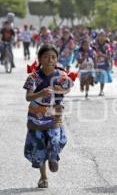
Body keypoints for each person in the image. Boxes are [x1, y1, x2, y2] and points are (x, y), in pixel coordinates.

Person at [23, 44, 73, 188]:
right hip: (36, 117)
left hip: (54, 114)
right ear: (40, 59)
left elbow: (68, 88)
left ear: (57, 59)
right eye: (46, 57)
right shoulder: (33, 77)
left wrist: (62, 91)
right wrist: (40, 93)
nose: (50, 60)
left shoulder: (62, 75)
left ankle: (53, 157)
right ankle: (43, 177)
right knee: (40, 147)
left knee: (57, 140)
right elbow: (28, 97)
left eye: (53, 57)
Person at [92, 31, 113, 96]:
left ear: (105, 37)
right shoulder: (94, 44)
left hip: (104, 64)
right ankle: (94, 80)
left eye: (103, 36)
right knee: (95, 78)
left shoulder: (107, 46)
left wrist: (101, 55)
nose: (101, 37)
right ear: (97, 36)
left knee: (102, 78)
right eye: (100, 35)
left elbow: (109, 56)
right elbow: (90, 53)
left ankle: (101, 91)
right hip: (95, 64)